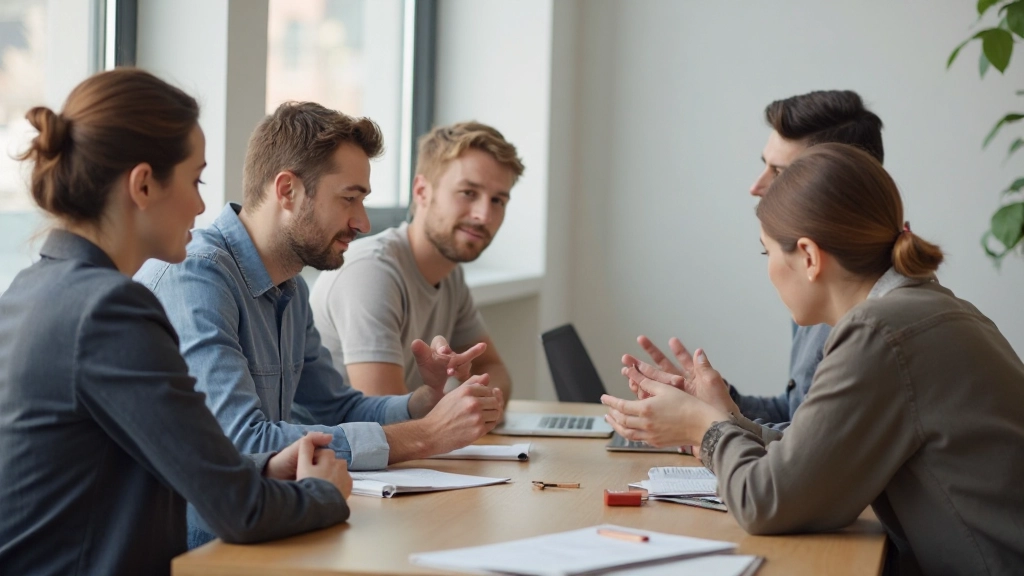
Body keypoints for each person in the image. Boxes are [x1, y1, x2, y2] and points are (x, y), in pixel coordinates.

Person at [603, 143, 1024, 576]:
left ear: (808, 256)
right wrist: (725, 417)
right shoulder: (925, 310)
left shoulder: (877, 333)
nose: (768, 269)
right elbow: (811, 468)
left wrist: (703, 426)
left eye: (767, 252)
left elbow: (765, 502)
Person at [0, 69, 352, 576]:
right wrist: (323, 493)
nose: (202, 205)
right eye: (195, 180)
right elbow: (241, 511)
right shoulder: (110, 311)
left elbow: (161, 454)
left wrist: (262, 467)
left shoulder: (31, 289)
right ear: (143, 184)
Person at [135, 103, 503, 475]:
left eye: (363, 201)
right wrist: (426, 435)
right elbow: (241, 443)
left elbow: (338, 408)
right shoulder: (196, 277)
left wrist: (425, 401)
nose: (362, 222)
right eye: (349, 198)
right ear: (288, 191)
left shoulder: (290, 289)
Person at [636, 90, 884, 429]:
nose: (756, 187)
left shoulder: (874, 322)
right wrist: (715, 401)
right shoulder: (816, 283)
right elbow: (797, 414)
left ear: (836, 183)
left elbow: (810, 448)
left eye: (779, 173)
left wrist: (709, 426)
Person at [310, 121, 522, 401]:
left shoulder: (449, 275)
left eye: (498, 201)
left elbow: (494, 371)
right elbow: (383, 416)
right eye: (468, 193)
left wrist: (476, 404)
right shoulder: (371, 272)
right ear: (422, 191)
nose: (484, 215)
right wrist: (467, 406)